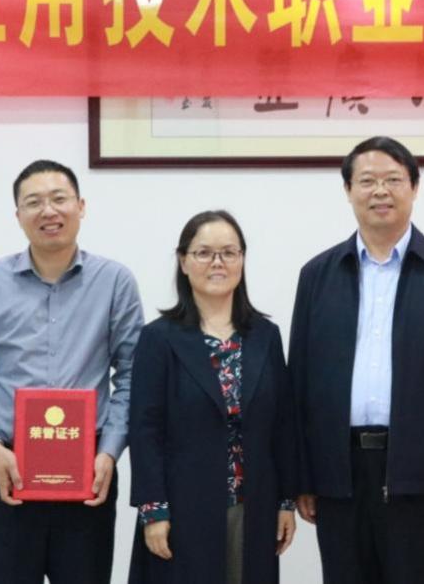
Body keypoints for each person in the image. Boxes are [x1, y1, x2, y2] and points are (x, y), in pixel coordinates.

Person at [0, 159, 144, 584]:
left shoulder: (114, 281)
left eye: (59, 198)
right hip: (7, 470)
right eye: (34, 202)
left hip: (88, 470)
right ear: (18, 215)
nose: (48, 210)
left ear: (81, 206)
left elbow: (134, 374)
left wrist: (110, 451)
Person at [289, 136, 424, 584]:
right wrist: (303, 476)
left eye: (393, 180)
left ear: (415, 187)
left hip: (419, 473)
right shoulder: (317, 275)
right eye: (367, 181)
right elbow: (299, 381)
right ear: (348, 190)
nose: (380, 191)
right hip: (337, 473)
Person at [128, 210, 297, 584]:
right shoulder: (159, 338)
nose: (217, 262)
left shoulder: (265, 337)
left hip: (255, 505)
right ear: (183, 262)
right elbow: (145, 431)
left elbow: (283, 426)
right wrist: (153, 509)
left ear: (242, 260)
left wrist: (286, 501)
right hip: (183, 506)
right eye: (204, 253)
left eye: (229, 253)